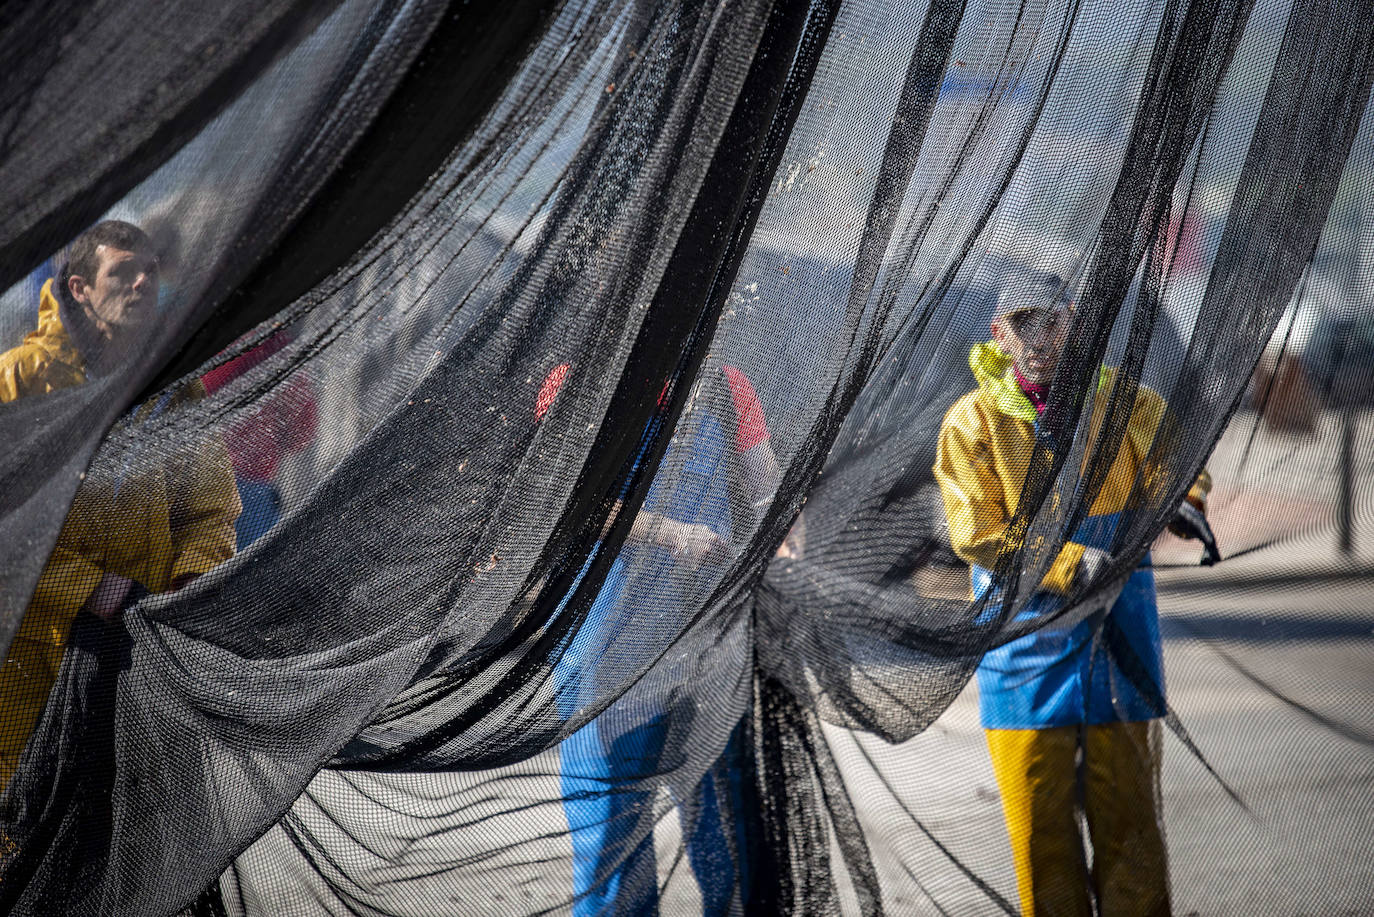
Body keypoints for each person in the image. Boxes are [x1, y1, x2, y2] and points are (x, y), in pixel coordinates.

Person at [933, 283, 1216, 917]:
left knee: (1132, 827)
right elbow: (978, 535)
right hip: (1026, 658)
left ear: (1076, 325)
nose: (1036, 339)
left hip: (1120, 643)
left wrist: (1186, 503)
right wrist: (1066, 564)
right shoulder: (972, 424)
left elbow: (1180, 458)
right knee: (1043, 840)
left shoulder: (1123, 403)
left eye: (1050, 323)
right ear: (999, 332)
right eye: (1021, 322)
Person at [0, 220, 240, 787]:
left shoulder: (173, 388)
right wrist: (85, 588)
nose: (140, 284)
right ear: (79, 287)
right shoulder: (15, 383)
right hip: (27, 660)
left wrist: (190, 582)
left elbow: (210, 509)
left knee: (129, 827)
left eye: (150, 272)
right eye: (122, 272)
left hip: (135, 656)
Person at [544, 362, 777, 916]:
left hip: (700, 635)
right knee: (608, 824)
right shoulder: (577, 381)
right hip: (605, 646)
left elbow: (766, 484)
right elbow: (565, 500)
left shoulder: (726, 384)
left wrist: (786, 538)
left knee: (724, 822)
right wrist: (670, 534)